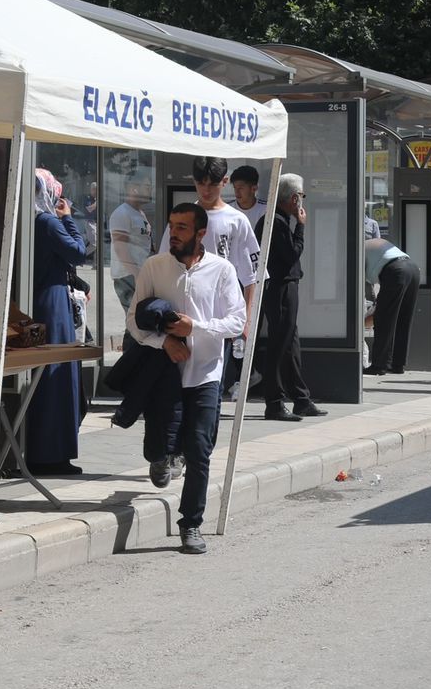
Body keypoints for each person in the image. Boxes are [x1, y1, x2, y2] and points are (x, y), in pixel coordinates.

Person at [127, 203, 248, 555]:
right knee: (158, 443)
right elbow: (134, 321)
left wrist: (195, 327)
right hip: (163, 375)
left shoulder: (222, 270)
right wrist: (164, 341)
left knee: (199, 451)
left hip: (206, 374)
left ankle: (191, 523)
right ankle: (160, 456)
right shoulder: (155, 267)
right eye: (171, 226)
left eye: (182, 227)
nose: (174, 233)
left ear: (200, 233)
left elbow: (236, 322)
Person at [160, 157, 260, 391]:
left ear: (224, 182)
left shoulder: (237, 221)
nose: (206, 190)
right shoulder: (181, 219)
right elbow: (163, 263)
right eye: (201, 183)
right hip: (182, 316)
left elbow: (251, 274)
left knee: (211, 387)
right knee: (177, 386)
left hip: (218, 320)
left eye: (212, 183)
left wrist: (245, 318)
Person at [26, 169, 91, 475]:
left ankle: (37, 448)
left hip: (35, 300)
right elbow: (78, 253)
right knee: (58, 375)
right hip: (53, 304)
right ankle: (53, 453)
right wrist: (68, 218)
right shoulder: (50, 222)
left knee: (41, 376)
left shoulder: (28, 220)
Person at [254, 173, 323, 421]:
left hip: (286, 286)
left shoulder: (277, 220)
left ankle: (301, 398)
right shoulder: (277, 223)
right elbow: (292, 253)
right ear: (294, 198)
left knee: (290, 344)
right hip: (280, 288)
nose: (302, 201)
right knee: (279, 345)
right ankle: (274, 402)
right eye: (301, 196)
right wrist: (301, 226)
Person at [364, 235, 421, 376]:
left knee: (384, 320)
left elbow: (359, 282)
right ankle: (398, 364)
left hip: (395, 271)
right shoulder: (370, 244)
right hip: (413, 268)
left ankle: (379, 365)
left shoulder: (356, 250)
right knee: (403, 318)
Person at [107, 182, 152, 311]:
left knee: (138, 319)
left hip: (139, 273)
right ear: (134, 189)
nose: (150, 191)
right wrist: (136, 274)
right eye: (147, 186)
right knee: (136, 317)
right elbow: (120, 247)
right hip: (127, 275)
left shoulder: (139, 213)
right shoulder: (122, 213)